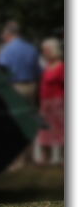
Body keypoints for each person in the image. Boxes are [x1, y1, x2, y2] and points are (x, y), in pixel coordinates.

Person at [34, 38, 64, 166]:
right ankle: (45, 157)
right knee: (45, 129)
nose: (43, 53)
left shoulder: (61, 66)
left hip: (58, 103)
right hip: (45, 103)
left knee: (61, 129)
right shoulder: (46, 66)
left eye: (46, 50)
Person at [0, 21, 41, 104]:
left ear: (7, 35)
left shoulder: (6, 51)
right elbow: (38, 70)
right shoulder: (31, 48)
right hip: (32, 87)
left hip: (15, 88)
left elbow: (1, 71)